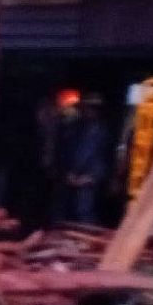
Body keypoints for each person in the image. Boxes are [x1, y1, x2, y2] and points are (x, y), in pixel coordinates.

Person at [52, 94, 110, 224]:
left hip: (88, 178)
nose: (87, 111)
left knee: (83, 211)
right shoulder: (76, 129)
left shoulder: (102, 132)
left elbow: (102, 157)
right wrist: (67, 172)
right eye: (86, 108)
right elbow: (67, 151)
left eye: (91, 108)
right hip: (71, 175)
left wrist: (92, 177)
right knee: (63, 210)